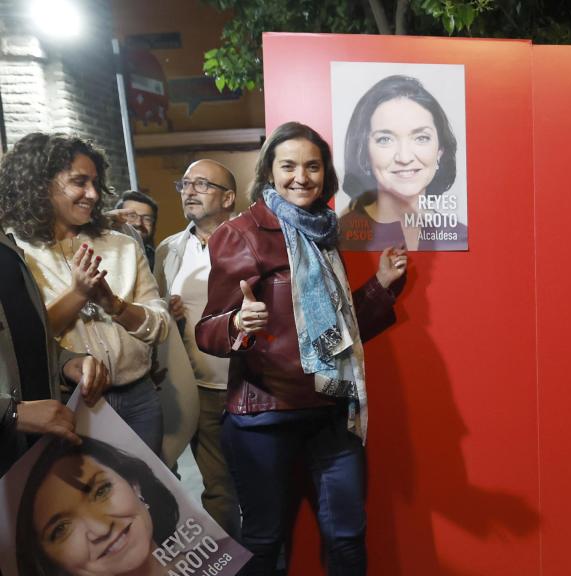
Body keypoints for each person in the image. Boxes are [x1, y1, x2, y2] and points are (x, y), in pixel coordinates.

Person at [195, 121, 408, 575]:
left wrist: (380, 288)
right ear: (269, 171)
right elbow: (206, 331)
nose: (301, 177)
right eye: (288, 165)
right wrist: (236, 323)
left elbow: (337, 336)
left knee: (348, 537)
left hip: (330, 409)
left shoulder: (322, 232)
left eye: (312, 167)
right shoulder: (241, 233)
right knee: (266, 541)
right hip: (265, 417)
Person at [0, 133, 172, 457]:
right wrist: (78, 294)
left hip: (139, 399)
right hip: (70, 403)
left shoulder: (121, 245)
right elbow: (25, 340)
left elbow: (161, 326)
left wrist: (116, 306)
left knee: (147, 503)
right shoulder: (18, 253)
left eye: (96, 182)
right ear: (41, 185)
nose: (92, 194)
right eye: (79, 182)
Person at [154, 159, 240, 536]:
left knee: (261, 484)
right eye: (185, 183)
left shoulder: (249, 241)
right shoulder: (168, 250)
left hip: (248, 385)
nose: (189, 190)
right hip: (197, 389)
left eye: (202, 184)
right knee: (218, 489)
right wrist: (166, 315)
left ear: (229, 197)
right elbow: (154, 318)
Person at [0, 232, 109, 477]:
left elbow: (21, 338)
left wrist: (64, 362)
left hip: (32, 450)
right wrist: (10, 413)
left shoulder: (6, 247)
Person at [15, 435, 180, 576]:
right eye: (61, 529)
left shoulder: (205, 556)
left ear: (134, 485)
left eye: (101, 491)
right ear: (46, 560)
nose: (101, 530)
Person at [340, 75, 465, 251]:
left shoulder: (460, 236)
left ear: (440, 152)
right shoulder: (340, 237)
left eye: (421, 138)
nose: (404, 158)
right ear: (364, 153)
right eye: (385, 139)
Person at [115, 190, 159, 270]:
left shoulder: (160, 261)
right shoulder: (103, 255)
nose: (139, 223)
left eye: (147, 219)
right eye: (132, 216)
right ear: (116, 220)